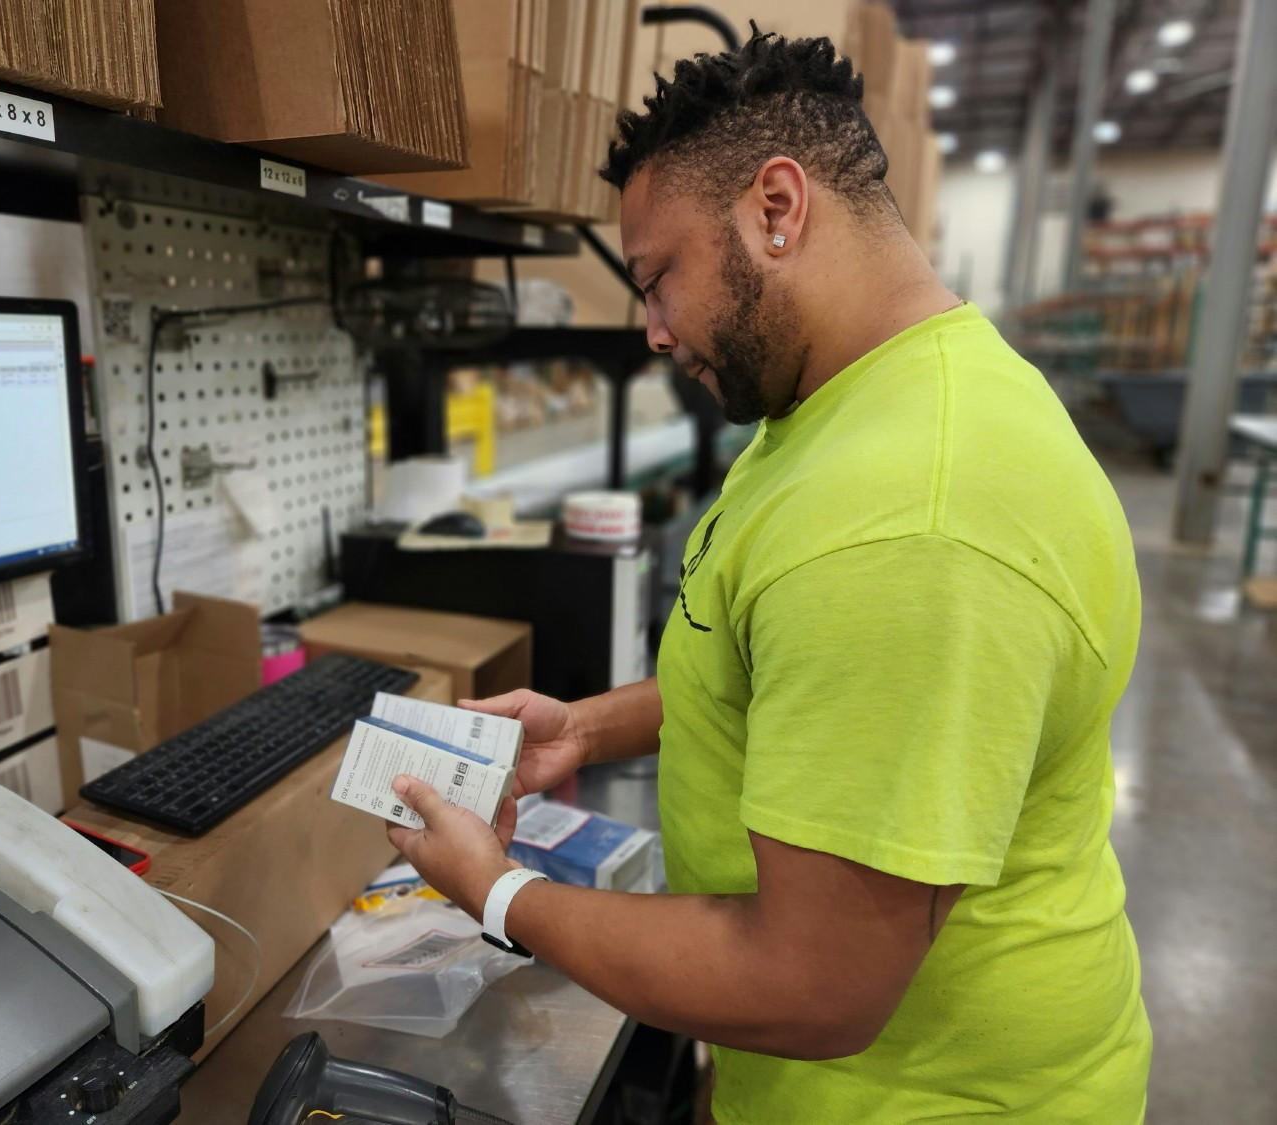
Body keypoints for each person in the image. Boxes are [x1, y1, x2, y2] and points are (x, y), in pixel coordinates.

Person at [384, 30, 1152, 1123]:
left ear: (776, 209)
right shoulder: (849, 404)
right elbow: (786, 668)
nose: (650, 332)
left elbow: (814, 986)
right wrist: (589, 730)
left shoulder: (904, 522)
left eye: (659, 281)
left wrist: (499, 893)